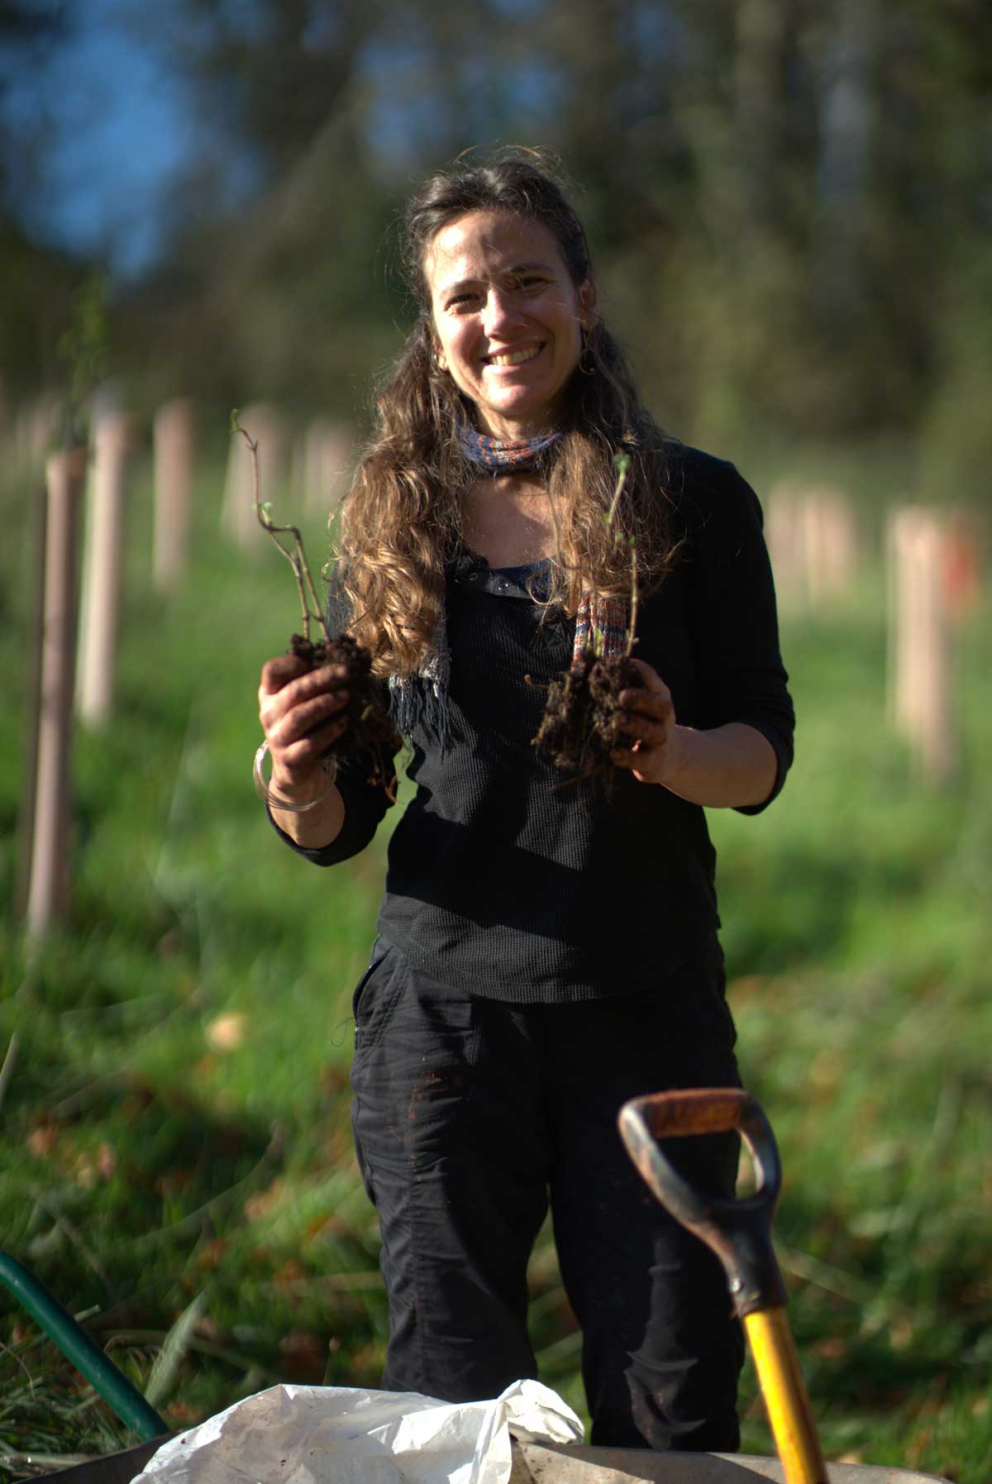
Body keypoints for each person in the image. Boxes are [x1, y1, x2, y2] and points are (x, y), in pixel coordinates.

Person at [255, 151, 794, 1453]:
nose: (500, 317)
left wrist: (670, 749)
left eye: (528, 282)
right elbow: (339, 827)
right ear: (434, 327)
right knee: (453, 1415)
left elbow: (763, 755)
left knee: (672, 1406)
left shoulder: (693, 502)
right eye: (465, 297)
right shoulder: (394, 518)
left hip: (647, 1012)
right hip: (442, 1026)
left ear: (585, 298)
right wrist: (294, 778)